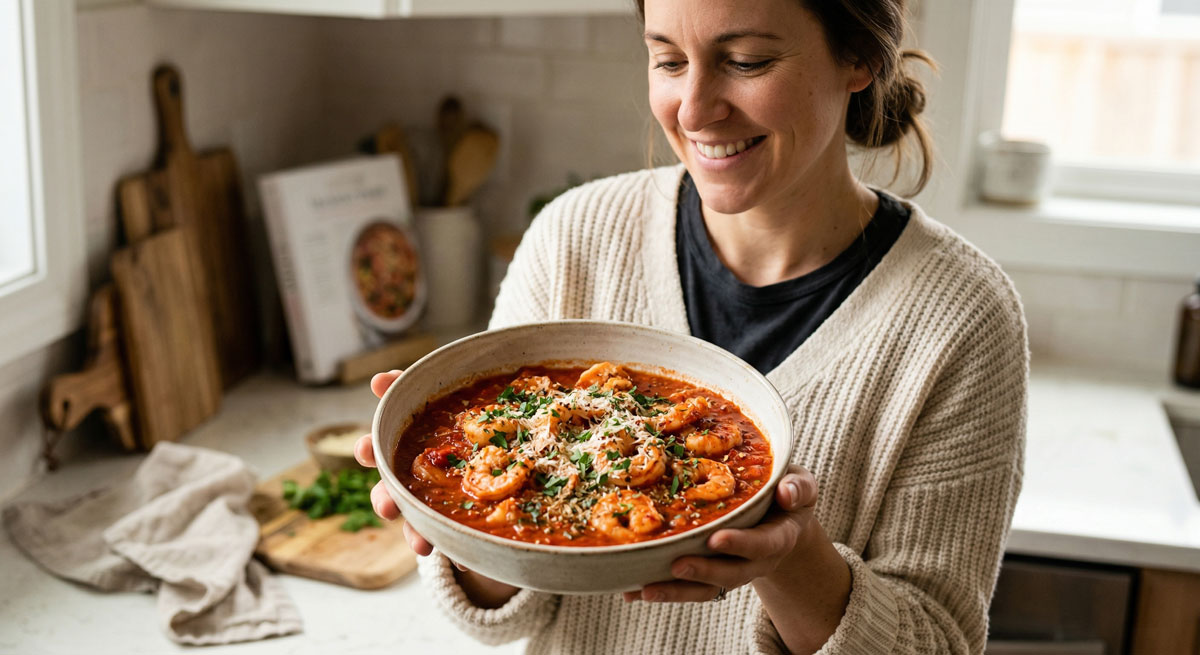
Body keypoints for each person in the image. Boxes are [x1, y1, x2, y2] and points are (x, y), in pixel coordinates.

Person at [354, 0, 1027, 652]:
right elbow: (493, 615)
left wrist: (792, 558)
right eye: (669, 61)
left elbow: (936, 642)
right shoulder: (575, 238)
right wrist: (465, 517)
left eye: (747, 60)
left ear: (857, 57)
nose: (696, 109)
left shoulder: (961, 317)